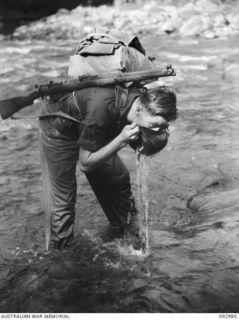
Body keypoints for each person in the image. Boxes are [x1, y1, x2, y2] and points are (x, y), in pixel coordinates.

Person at [39, 80, 177, 251]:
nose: (157, 131)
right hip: (60, 129)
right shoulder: (103, 107)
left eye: (162, 127)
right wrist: (121, 140)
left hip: (94, 126)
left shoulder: (139, 102)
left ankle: (126, 235)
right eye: (155, 125)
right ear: (140, 110)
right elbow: (85, 163)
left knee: (117, 177)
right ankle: (59, 258)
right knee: (63, 203)